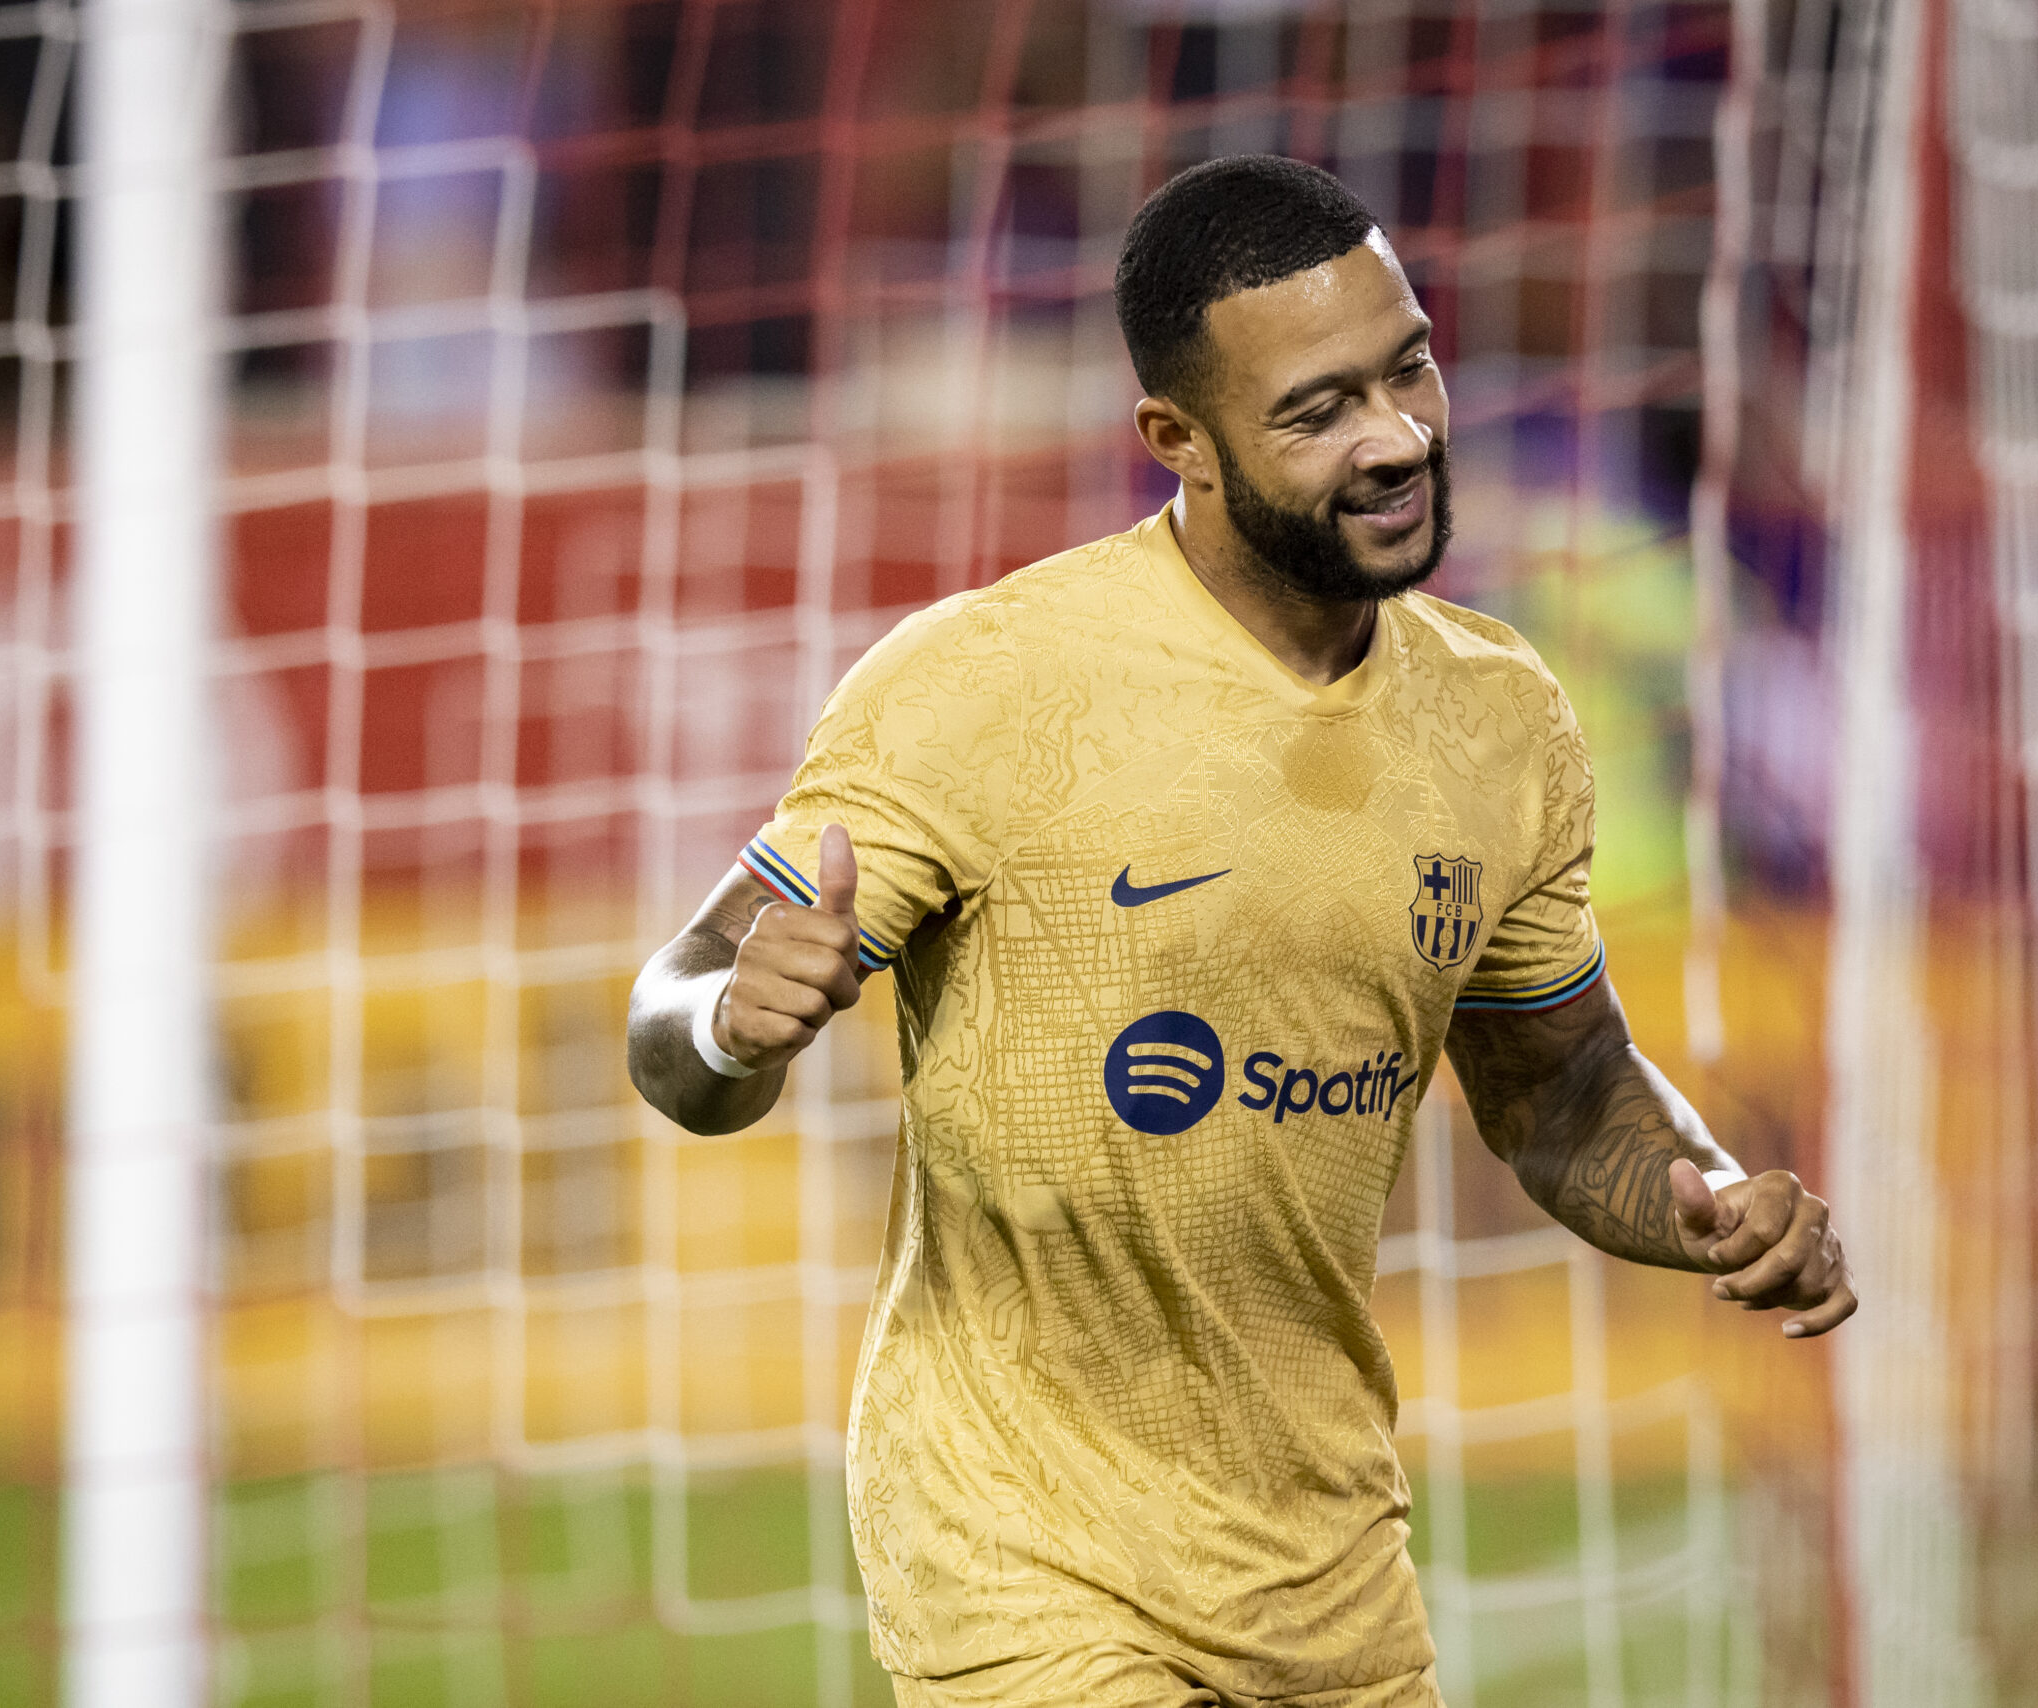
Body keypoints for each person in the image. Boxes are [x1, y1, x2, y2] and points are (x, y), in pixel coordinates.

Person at [626, 155, 1854, 1708]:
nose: (1396, 438)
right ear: (1180, 443)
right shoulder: (984, 684)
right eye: (1318, 411)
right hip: (1019, 1557)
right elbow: (675, 1009)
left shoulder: (1502, 719)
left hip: (1321, 1567)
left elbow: (1559, 1087)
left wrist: (1711, 1196)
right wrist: (730, 1028)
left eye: (1409, 368)